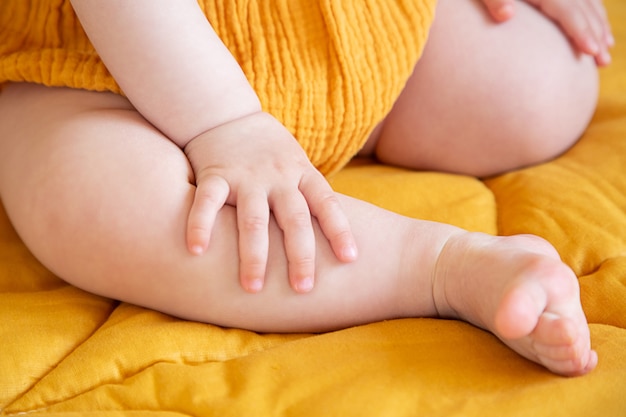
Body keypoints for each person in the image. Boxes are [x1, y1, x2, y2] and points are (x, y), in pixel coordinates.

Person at [0, 0, 614, 377]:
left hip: (324, 26)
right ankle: (437, 266)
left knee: (542, 83)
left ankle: (336, 120)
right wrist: (224, 122)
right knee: (91, 198)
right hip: (113, 60)